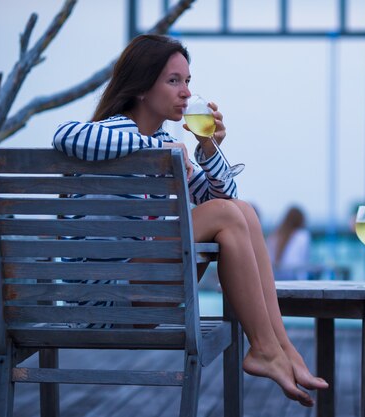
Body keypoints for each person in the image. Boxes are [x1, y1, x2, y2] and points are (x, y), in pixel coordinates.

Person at [52, 34, 327, 407]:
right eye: (173, 81)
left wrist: (208, 147)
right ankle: (265, 349)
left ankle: (279, 346)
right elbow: (65, 136)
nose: (185, 92)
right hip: (103, 306)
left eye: (188, 81)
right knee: (231, 214)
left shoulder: (165, 143)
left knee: (241, 211)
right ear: (141, 87)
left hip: (135, 299)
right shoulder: (118, 133)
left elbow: (225, 200)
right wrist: (159, 149)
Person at [267, 206, 312, 280]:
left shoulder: (274, 236)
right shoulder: (303, 236)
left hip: (276, 279)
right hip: (296, 279)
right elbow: (303, 261)